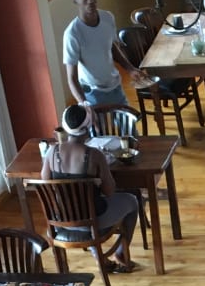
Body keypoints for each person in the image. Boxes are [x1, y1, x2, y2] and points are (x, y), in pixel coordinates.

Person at [41, 103, 140, 271]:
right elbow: (109, 191)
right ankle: (121, 253)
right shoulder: (95, 155)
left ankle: (100, 257)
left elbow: (46, 182)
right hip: (92, 220)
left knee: (85, 206)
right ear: (87, 128)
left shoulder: (52, 152)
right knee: (132, 201)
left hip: (61, 220)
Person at [62, 0, 147, 111]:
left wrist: (130, 69)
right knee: (102, 125)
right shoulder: (73, 33)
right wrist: (85, 105)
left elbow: (112, 47)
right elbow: (71, 78)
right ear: (75, 0)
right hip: (93, 94)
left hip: (115, 87)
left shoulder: (107, 18)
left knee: (128, 122)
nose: (90, 0)